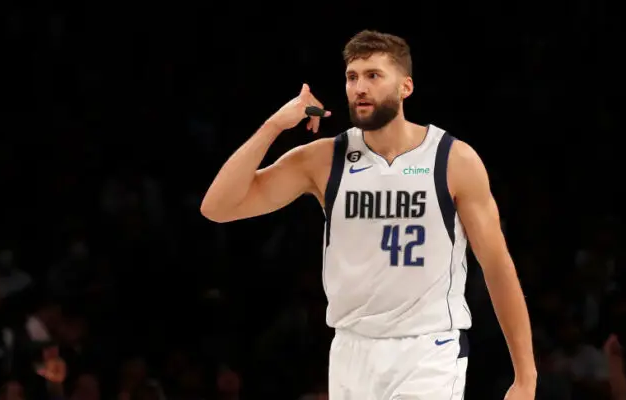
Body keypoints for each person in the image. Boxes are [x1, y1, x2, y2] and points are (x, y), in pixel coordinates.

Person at [201, 30, 536, 399]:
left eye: (373, 76)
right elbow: (218, 207)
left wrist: (525, 376)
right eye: (352, 77)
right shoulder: (325, 159)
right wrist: (275, 125)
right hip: (351, 350)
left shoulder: (453, 159)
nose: (360, 86)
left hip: (428, 350)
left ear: (405, 86)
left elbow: (496, 265)